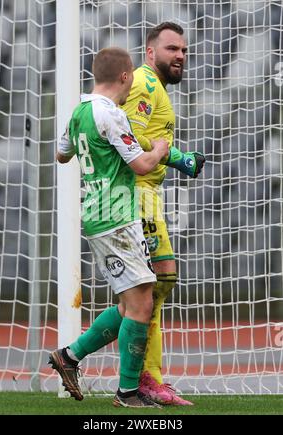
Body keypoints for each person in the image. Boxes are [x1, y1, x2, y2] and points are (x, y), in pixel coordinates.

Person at [49, 47, 170, 408]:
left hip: (96, 213)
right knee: (142, 304)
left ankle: (69, 357)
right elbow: (143, 165)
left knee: (130, 303)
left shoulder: (80, 112)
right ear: (126, 77)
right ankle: (127, 393)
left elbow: (61, 154)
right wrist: (162, 148)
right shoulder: (110, 114)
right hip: (117, 215)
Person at [121, 22, 205, 406]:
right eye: (172, 49)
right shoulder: (143, 83)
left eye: (184, 50)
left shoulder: (157, 90)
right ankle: (144, 377)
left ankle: (79, 355)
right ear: (150, 52)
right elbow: (131, 140)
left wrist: (175, 158)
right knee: (154, 285)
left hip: (148, 194)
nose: (181, 56)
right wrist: (179, 157)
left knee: (155, 286)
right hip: (135, 194)